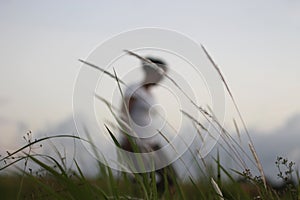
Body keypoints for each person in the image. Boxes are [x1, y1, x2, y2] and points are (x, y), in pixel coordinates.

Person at [119, 56, 175, 194]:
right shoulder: (134, 89)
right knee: (144, 181)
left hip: (152, 143)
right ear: (151, 72)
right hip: (136, 143)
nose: (163, 78)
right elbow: (124, 115)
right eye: (161, 74)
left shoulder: (150, 94)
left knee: (170, 178)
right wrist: (127, 140)